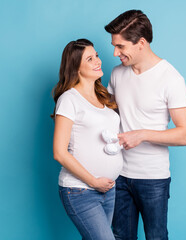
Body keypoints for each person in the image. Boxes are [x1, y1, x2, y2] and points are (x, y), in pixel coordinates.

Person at [104, 10, 186, 240]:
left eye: (121, 46)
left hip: (153, 178)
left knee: (156, 237)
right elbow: (106, 115)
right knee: (121, 236)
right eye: (114, 46)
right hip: (118, 174)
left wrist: (141, 134)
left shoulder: (171, 78)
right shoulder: (116, 74)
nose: (115, 53)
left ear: (141, 43)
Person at [52, 38, 123, 240]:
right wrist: (94, 181)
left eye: (97, 56)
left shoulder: (104, 97)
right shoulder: (69, 99)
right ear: (76, 67)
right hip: (80, 190)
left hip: (109, 189)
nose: (97, 61)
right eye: (90, 59)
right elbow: (59, 152)